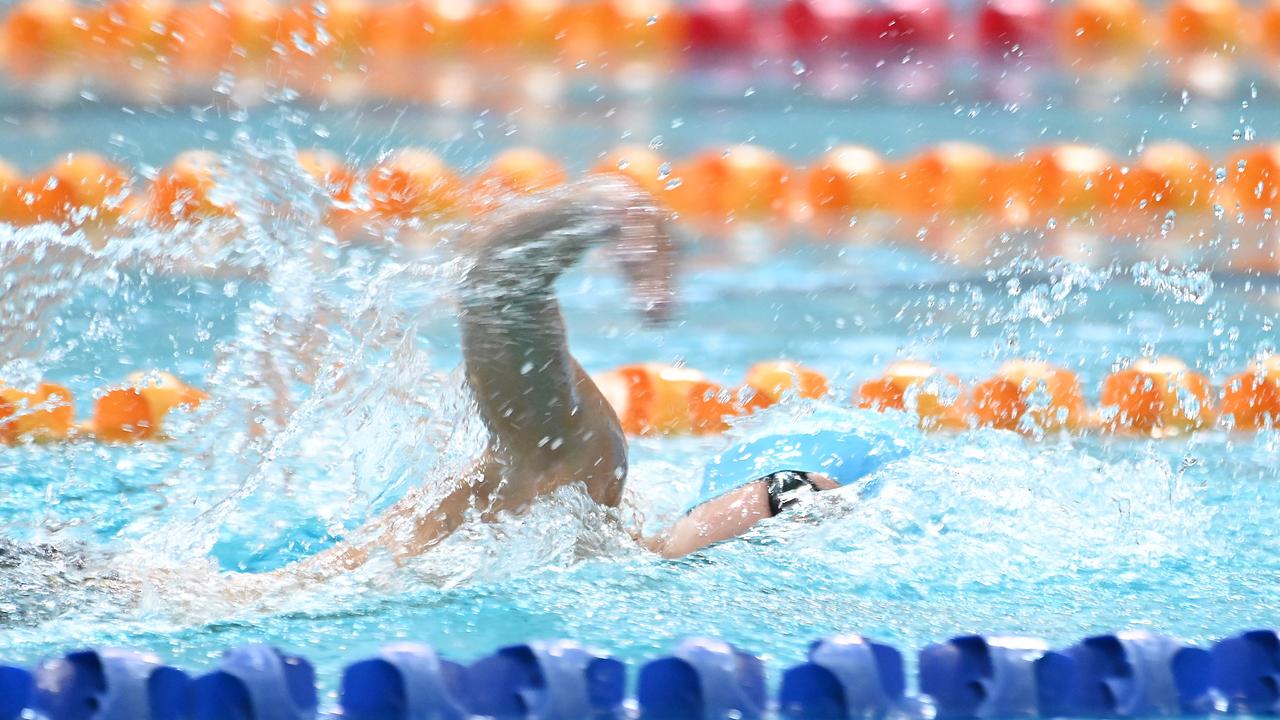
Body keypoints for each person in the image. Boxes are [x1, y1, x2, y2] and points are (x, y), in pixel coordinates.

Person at [275, 175, 838, 585]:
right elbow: (500, 280)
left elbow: (500, 282)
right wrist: (607, 211)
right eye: (776, 488)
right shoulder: (583, 481)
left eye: (775, 496)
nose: (747, 499)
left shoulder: (583, 510)